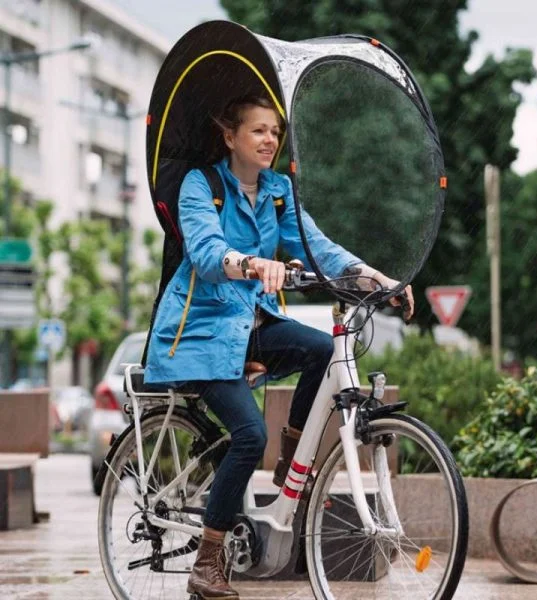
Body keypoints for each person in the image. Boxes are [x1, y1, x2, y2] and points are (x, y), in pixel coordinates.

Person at [143, 94, 414, 599]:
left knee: (321, 350)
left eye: (274, 132)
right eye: (258, 130)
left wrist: (367, 273)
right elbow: (204, 252)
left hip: (251, 322)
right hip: (200, 332)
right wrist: (250, 264)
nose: (269, 140)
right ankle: (207, 562)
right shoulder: (202, 186)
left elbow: (316, 246)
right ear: (230, 136)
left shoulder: (277, 191)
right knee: (248, 435)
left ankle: (294, 465)